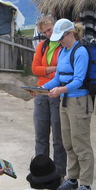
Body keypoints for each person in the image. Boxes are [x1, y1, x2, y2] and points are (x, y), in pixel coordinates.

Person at [42, 18, 94, 190]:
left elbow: (79, 80)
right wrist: (42, 89)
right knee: (68, 142)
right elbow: (58, 77)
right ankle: (72, 178)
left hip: (78, 101)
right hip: (65, 100)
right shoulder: (64, 51)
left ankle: (85, 184)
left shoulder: (80, 52)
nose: (60, 41)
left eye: (61, 37)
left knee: (81, 143)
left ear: (71, 33)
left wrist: (61, 90)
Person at [31, 15, 67, 178]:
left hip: (57, 92)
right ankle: (41, 171)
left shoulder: (64, 46)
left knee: (58, 137)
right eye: (44, 32)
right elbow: (34, 69)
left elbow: (63, 70)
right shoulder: (42, 46)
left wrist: (46, 69)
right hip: (41, 91)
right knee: (41, 134)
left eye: (49, 30)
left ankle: (59, 173)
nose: (47, 34)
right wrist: (53, 69)